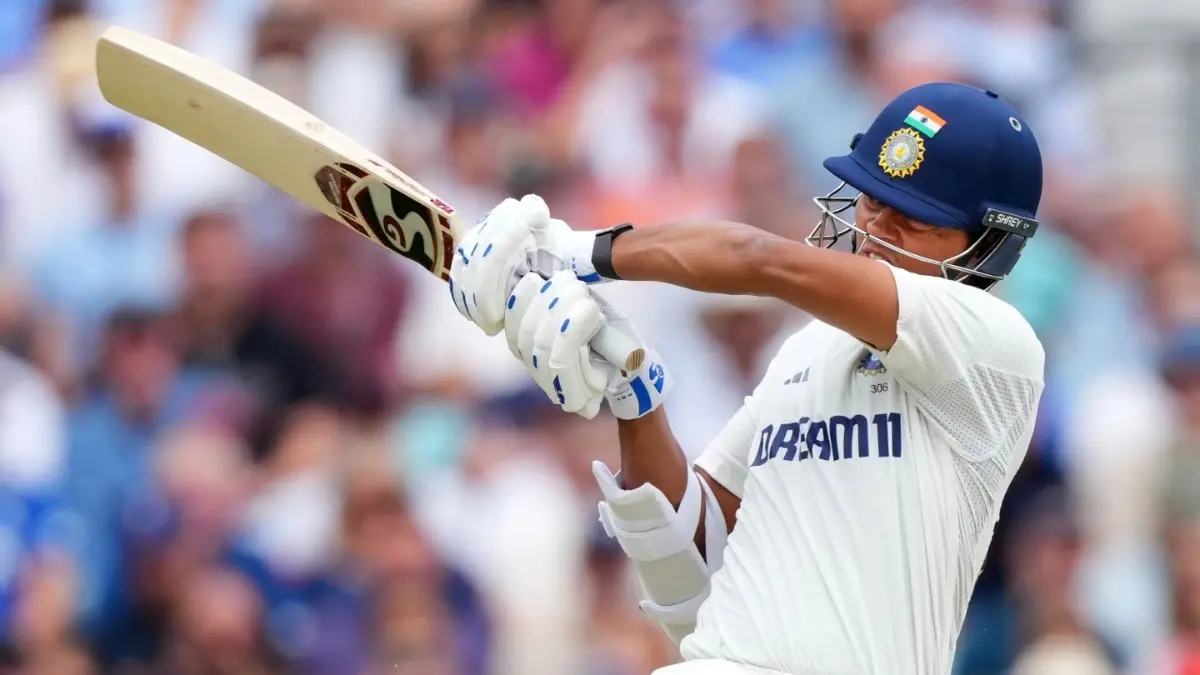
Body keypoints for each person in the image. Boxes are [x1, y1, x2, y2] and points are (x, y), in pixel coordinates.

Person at [449, 82, 1046, 675]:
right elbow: (694, 548)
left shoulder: (995, 349)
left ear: (987, 248)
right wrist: (634, 393)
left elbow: (759, 259)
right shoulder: (806, 351)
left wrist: (577, 252)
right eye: (871, 200)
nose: (875, 229)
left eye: (914, 219)